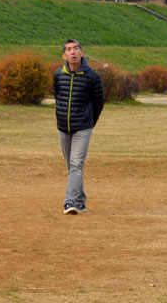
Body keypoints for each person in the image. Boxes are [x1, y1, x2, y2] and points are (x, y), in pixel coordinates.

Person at [54, 39, 104, 215]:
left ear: (82, 53)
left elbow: (99, 102)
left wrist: (89, 122)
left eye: (76, 48)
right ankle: (81, 201)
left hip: (83, 128)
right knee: (72, 167)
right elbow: (58, 97)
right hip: (63, 128)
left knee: (76, 164)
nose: (73, 52)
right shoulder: (59, 74)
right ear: (64, 55)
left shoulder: (92, 76)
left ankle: (69, 202)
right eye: (69, 49)